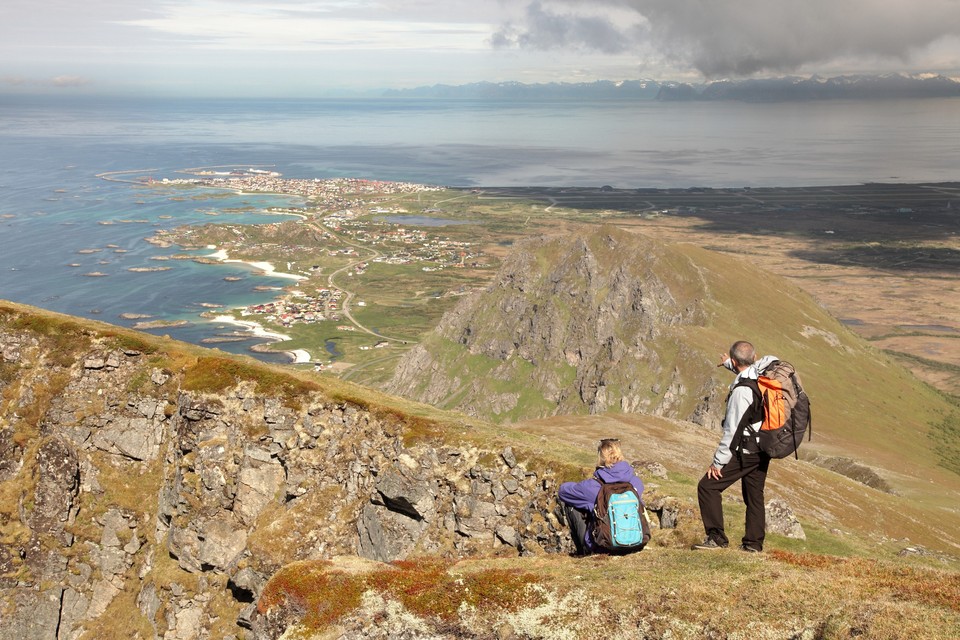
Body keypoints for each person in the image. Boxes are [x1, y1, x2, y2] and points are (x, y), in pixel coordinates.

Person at [694, 340, 779, 552]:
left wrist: (718, 463)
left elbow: (732, 431)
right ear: (754, 357)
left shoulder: (742, 393)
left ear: (734, 360)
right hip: (763, 447)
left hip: (747, 451)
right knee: (754, 495)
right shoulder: (761, 373)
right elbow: (746, 370)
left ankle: (716, 538)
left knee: (708, 486)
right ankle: (753, 544)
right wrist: (730, 365)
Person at [558, 438, 646, 555]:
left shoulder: (592, 486)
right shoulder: (636, 482)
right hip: (636, 543)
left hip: (604, 547)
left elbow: (562, 491)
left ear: (601, 458)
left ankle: (583, 553)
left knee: (572, 505)